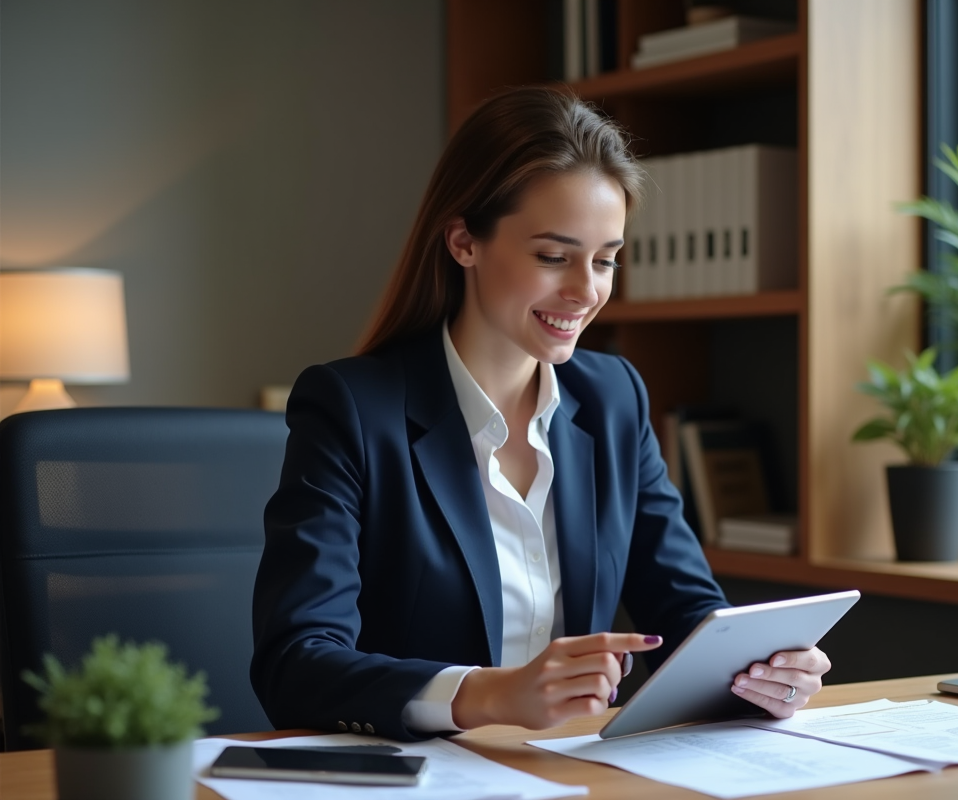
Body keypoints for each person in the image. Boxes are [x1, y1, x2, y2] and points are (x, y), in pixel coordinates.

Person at [250, 86, 831, 741]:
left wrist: (758, 671)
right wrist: (487, 694)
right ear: (465, 242)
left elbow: (683, 607)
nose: (586, 291)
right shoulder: (352, 409)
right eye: (554, 257)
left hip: (574, 773)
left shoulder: (613, 398)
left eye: (606, 260)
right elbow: (296, 666)